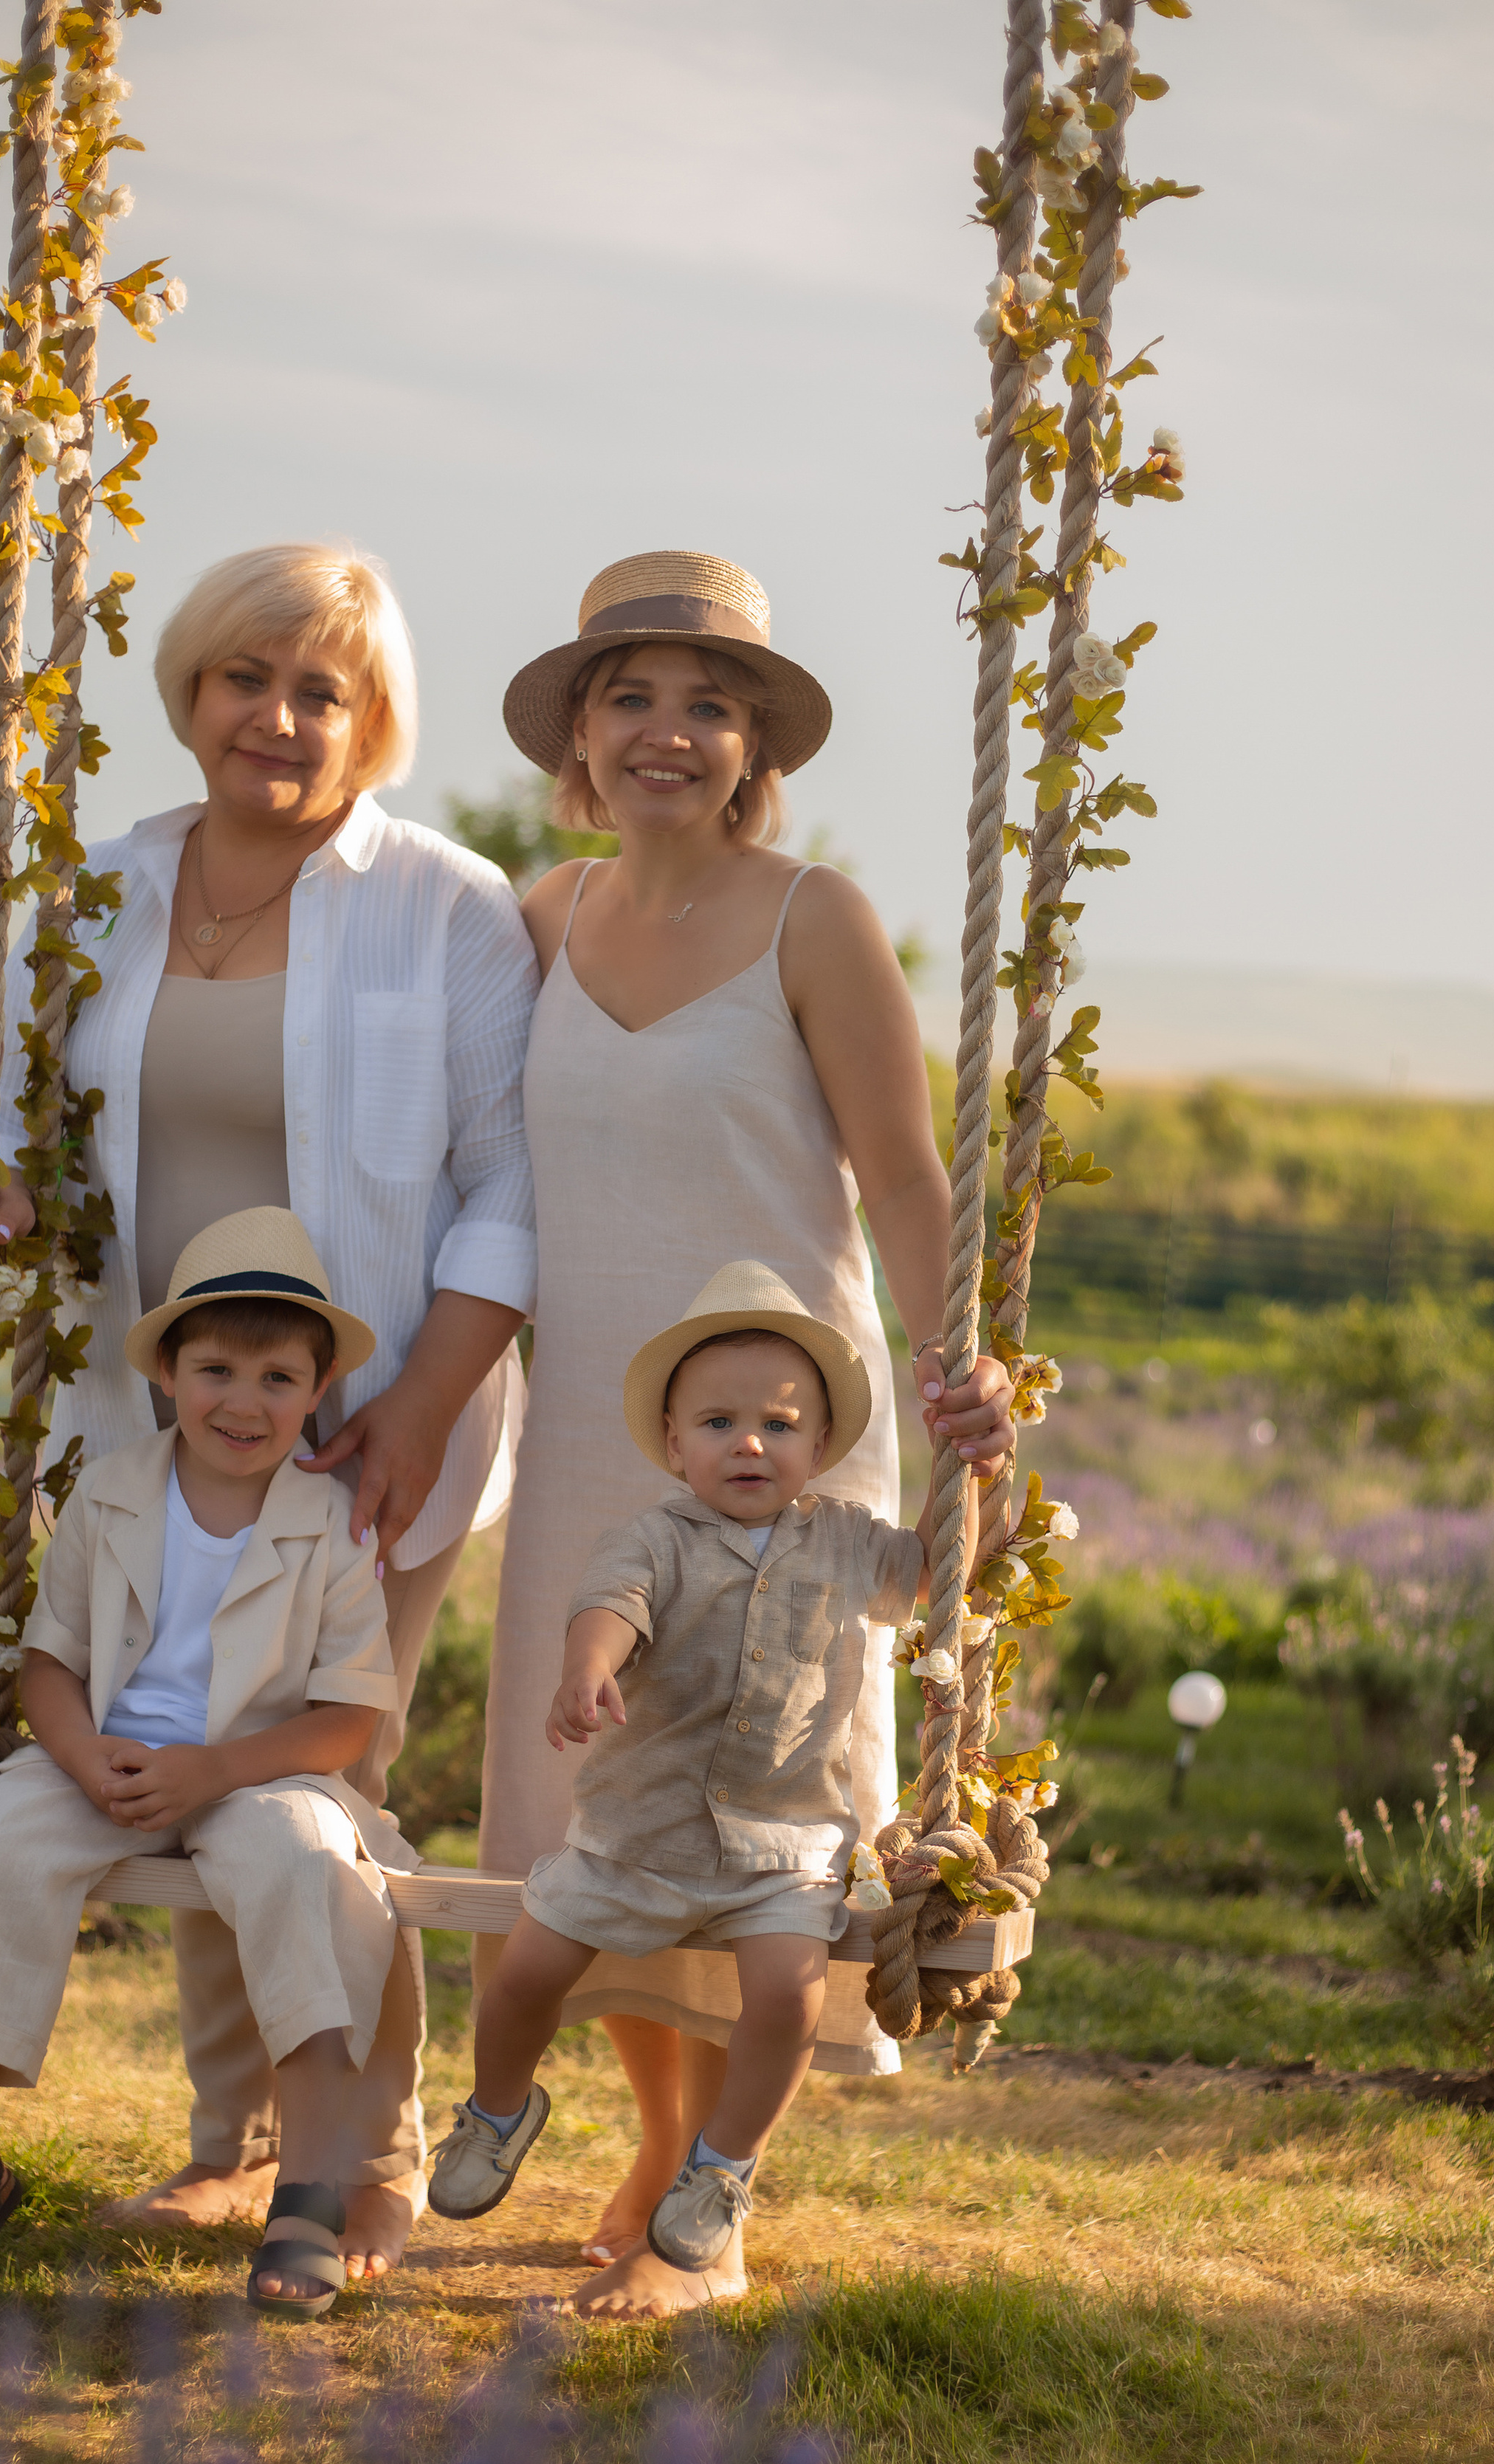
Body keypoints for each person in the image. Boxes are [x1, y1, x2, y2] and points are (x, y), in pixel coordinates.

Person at [0, 543, 539, 2281]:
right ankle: (229, 2144)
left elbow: (505, 1183)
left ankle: (369, 2159)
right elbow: (43, 1146)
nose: (276, 719)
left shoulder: (442, 902)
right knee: (167, 1740)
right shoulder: (92, 889)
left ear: (374, 721)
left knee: (314, 1786)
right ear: (189, 691)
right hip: (145, 1416)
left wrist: (421, 1398)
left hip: (355, 1430)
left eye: (320, 692)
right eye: (243, 679)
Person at [480, 548, 1016, 2322]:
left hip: (786, 1428)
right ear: (576, 728)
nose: (666, 730)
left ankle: (716, 2210)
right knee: (600, 1793)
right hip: (589, 1431)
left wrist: (959, 1388)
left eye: (707, 703)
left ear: (751, 746)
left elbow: (904, 1178)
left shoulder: (816, 918)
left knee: (762, 1796)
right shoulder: (542, 916)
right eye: (628, 695)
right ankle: (647, 2148)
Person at [0, 1211, 405, 2317]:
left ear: (317, 1392)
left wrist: (216, 1773)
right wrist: (79, 1760)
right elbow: (51, 1663)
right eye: (216, 1368)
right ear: (169, 1372)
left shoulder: (331, 1524)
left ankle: (308, 2184)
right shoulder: (113, 1492)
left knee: (311, 1865)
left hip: (260, 1771)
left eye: (279, 1377)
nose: (244, 1400)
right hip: (106, 1757)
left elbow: (345, 1721)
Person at [433, 1267, 931, 2279]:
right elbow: (609, 1606)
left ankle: (722, 2166)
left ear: (822, 1447)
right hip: (634, 1830)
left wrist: (985, 1470)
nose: (749, 1442)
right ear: (673, 1445)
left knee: (786, 2001)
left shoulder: (849, 1543)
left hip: (782, 1844)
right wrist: (588, 1669)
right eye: (717, 1422)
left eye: (780, 1424)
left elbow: (946, 1569)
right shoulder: (653, 1539)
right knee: (523, 1972)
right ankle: (496, 2107)